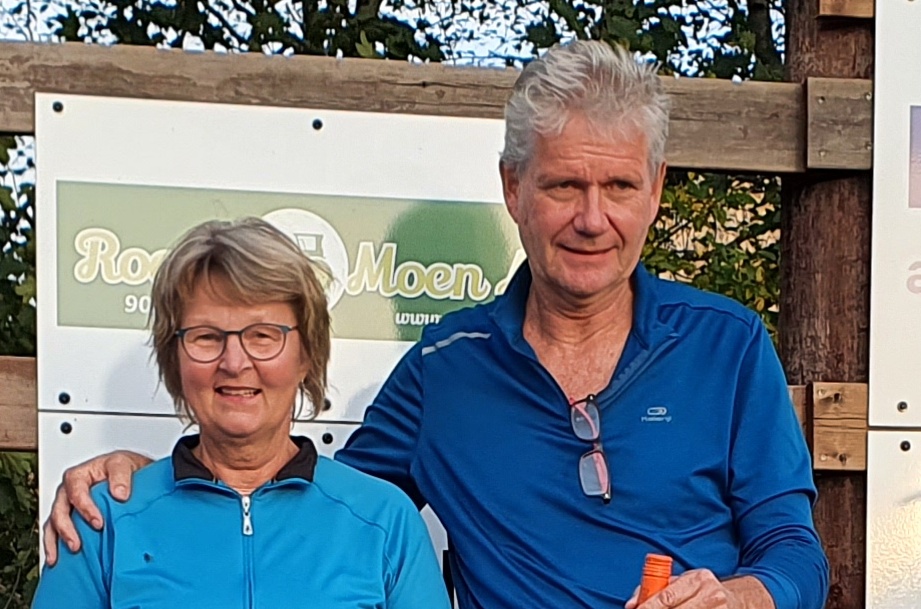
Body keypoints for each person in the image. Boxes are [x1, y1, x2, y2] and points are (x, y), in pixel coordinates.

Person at [43, 41, 829, 609]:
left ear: (655, 189)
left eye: (618, 186)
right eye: (564, 185)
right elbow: (311, 502)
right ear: (513, 188)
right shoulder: (445, 365)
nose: (592, 219)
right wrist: (151, 479)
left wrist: (741, 595)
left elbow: (795, 549)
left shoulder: (727, 345)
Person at [33, 218, 451, 609]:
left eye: (263, 336)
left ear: (306, 355)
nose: (234, 362)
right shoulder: (101, 520)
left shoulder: (384, 521)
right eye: (206, 337)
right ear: (174, 358)